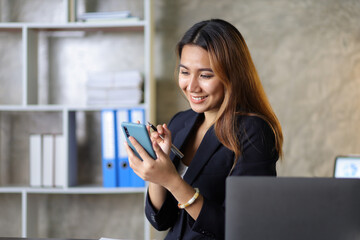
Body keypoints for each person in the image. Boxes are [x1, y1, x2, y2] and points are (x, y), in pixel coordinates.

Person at [124, 19, 283, 240]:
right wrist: (156, 173)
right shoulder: (181, 122)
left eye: (206, 75)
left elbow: (239, 229)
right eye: (185, 72)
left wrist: (171, 179)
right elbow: (161, 221)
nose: (192, 86)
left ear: (232, 75)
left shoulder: (254, 132)